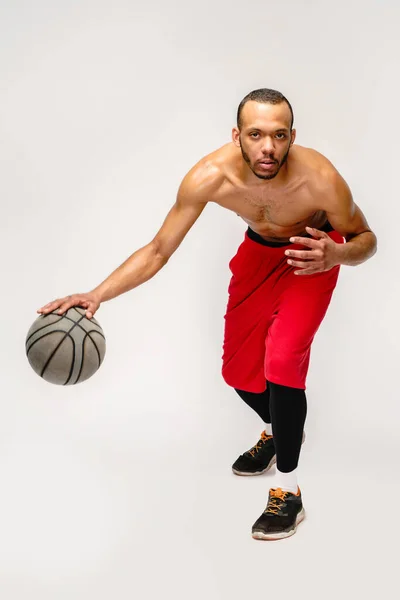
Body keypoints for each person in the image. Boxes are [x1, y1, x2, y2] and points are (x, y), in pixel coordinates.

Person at [38, 88, 377, 541]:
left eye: (278, 135)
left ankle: (287, 493)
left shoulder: (320, 179)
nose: (268, 148)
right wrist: (96, 295)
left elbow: (366, 239)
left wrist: (336, 255)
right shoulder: (210, 177)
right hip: (258, 255)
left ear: (293, 136)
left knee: (282, 361)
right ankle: (277, 434)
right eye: (256, 134)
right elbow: (159, 250)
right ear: (237, 135)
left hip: (311, 253)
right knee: (239, 374)